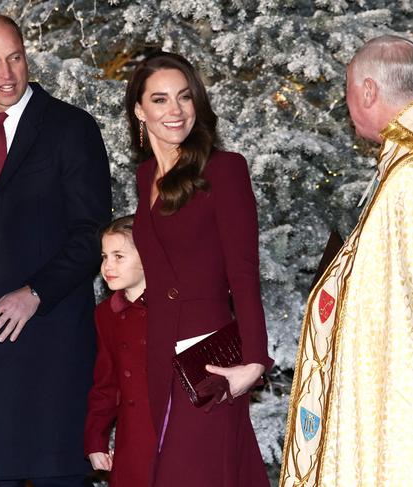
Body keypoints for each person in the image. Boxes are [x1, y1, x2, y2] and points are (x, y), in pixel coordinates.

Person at [0, 14, 112, 486]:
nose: (7, 73)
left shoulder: (71, 128)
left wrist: (35, 292)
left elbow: (91, 232)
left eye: (15, 57)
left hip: (53, 349)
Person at [126, 52, 273, 486]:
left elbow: (244, 272)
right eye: (160, 99)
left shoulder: (225, 170)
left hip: (208, 366)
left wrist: (255, 362)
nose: (175, 111)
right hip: (160, 359)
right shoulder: (145, 175)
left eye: (184, 98)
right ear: (139, 110)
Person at [280, 35, 413, 487]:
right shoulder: (398, 167)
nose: (347, 103)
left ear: (370, 91)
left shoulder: (408, 178)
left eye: (348, 92)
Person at [84, 215, 156, 486]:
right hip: (132, 440)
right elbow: (106, 383)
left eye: (118, 256)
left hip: (174, 436)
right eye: (104, 256)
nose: (107, 266)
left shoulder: (172, 307)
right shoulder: (106, 314)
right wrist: (96, 440)